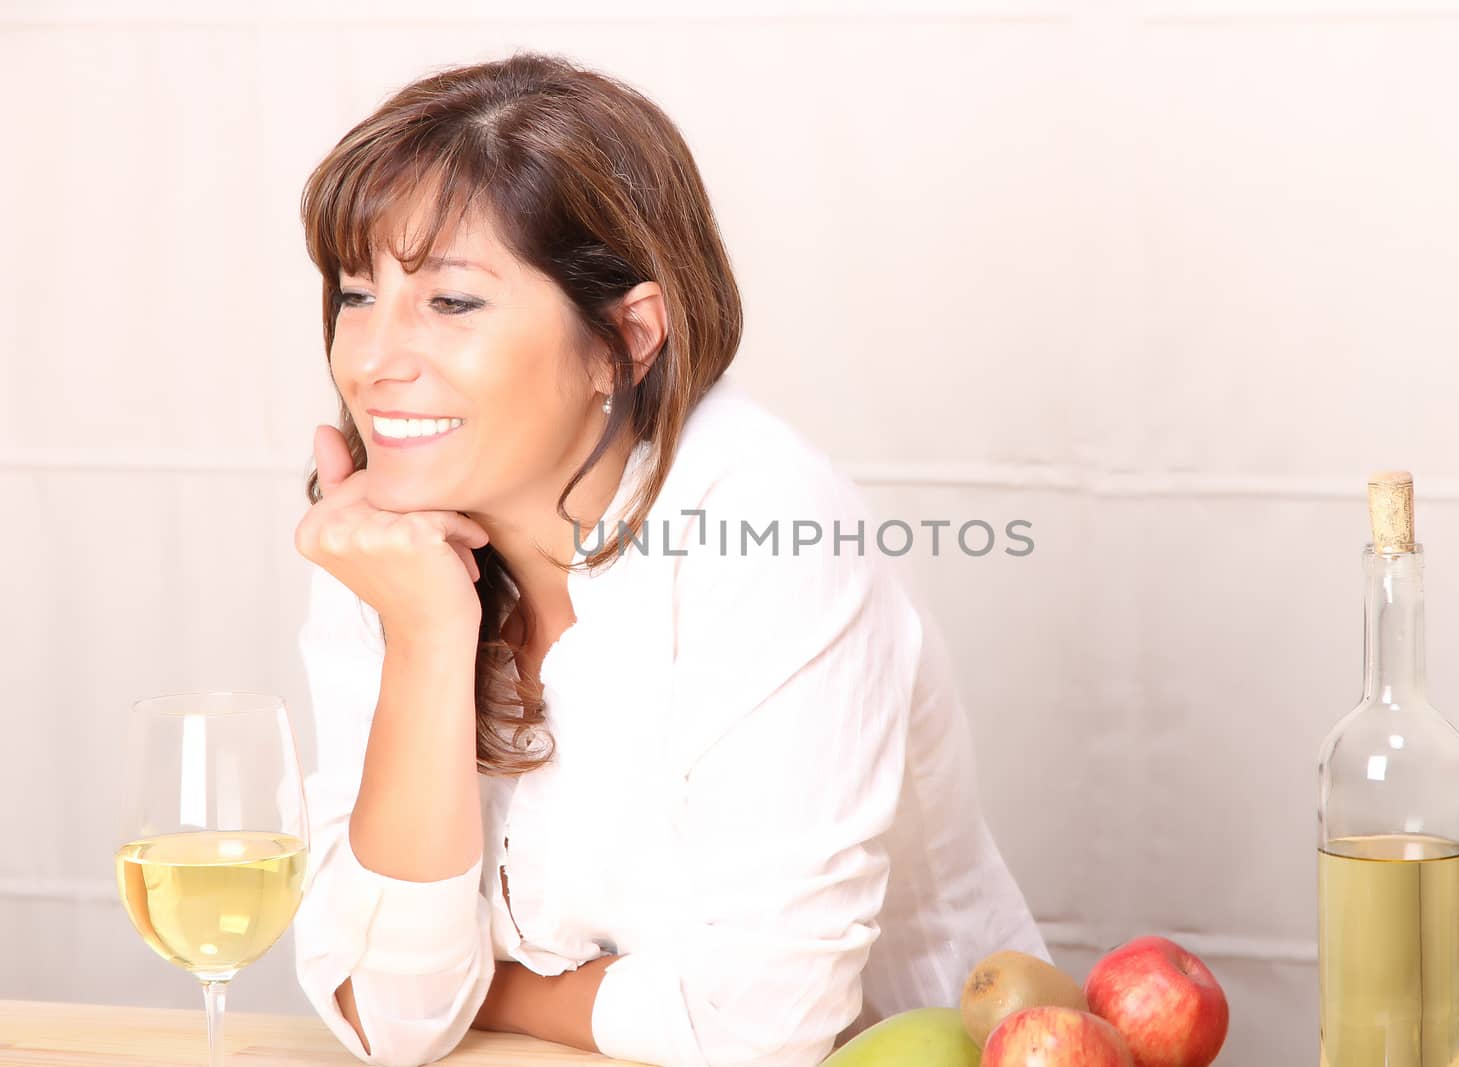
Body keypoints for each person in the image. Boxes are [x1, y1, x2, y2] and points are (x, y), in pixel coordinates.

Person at [290, 50, 1047, 1067]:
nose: (374, 359)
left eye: (450, 302)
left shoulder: (769, 520)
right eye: (354, 294)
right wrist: (429, 634)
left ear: (625, 338)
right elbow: (387, 1015)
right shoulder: (387, 536)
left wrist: (490, 985)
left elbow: (762, 1025)